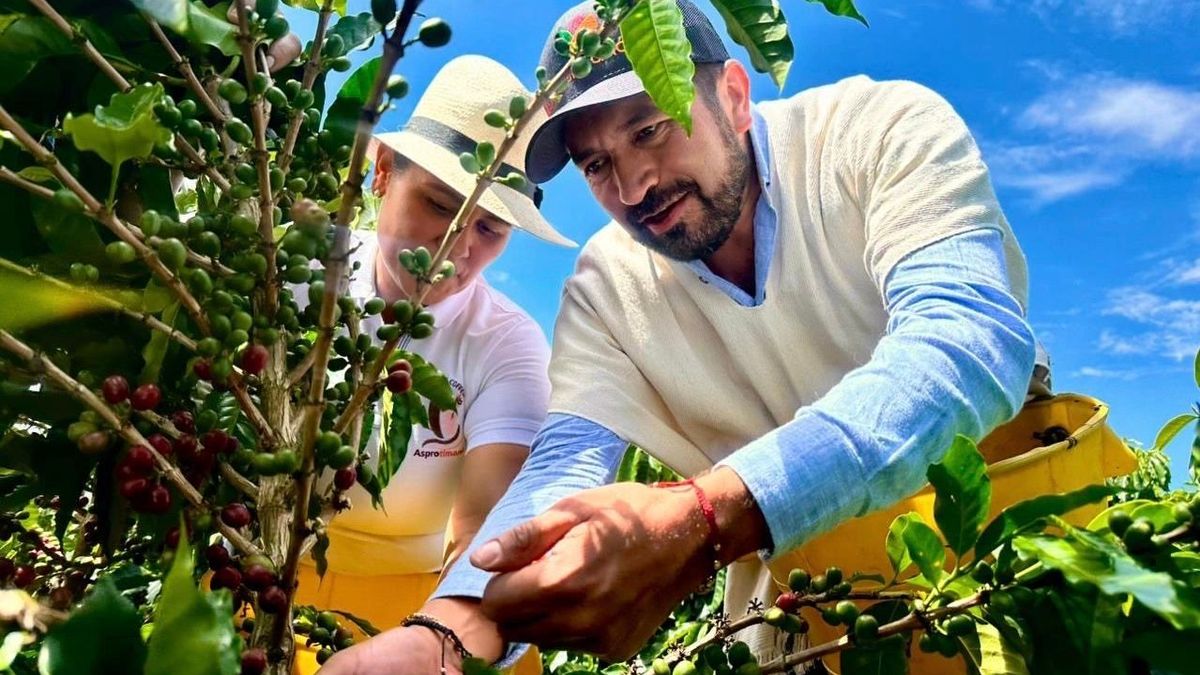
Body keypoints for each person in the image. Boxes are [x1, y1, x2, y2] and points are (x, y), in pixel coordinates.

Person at [321, 0, 1041, 672]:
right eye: (597, 164)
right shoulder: (608, 288)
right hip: (806, 614)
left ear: (734, 93)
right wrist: (448, 637)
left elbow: (966, 338)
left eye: (650, 128)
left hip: (1017, 563)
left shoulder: (876, 134)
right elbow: (562, 468)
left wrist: (707, 517)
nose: (634, 187)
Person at [298, 54, 573, 675]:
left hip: (426, 598)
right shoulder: (296, 277)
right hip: (262, 563)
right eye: (439, 205)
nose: (455, 250)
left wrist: (435, 642)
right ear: (382, 173)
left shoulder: (507, 344)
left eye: (490, 230)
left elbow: (481, 526)